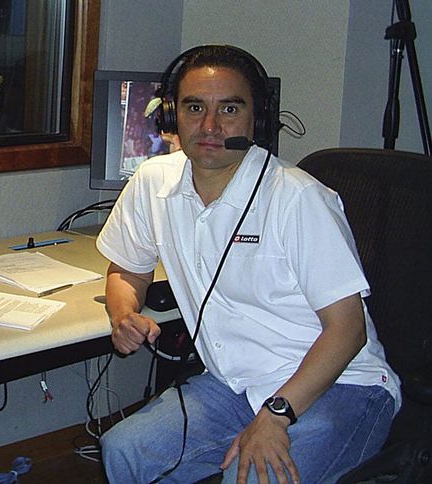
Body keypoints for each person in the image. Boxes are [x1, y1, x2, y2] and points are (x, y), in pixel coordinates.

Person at [97, 45, 400, 483]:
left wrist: (276, 415)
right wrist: (124, 312)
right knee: (125, 450)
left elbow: (348, 330)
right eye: (195, 107)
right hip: (235, 385)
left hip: (341, 384)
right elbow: (128, 270)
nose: (210, 126)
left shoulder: (298, 198)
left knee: (255, 476)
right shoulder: (152, 182)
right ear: (171, 116)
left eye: (230, 109)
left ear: (257, 119)